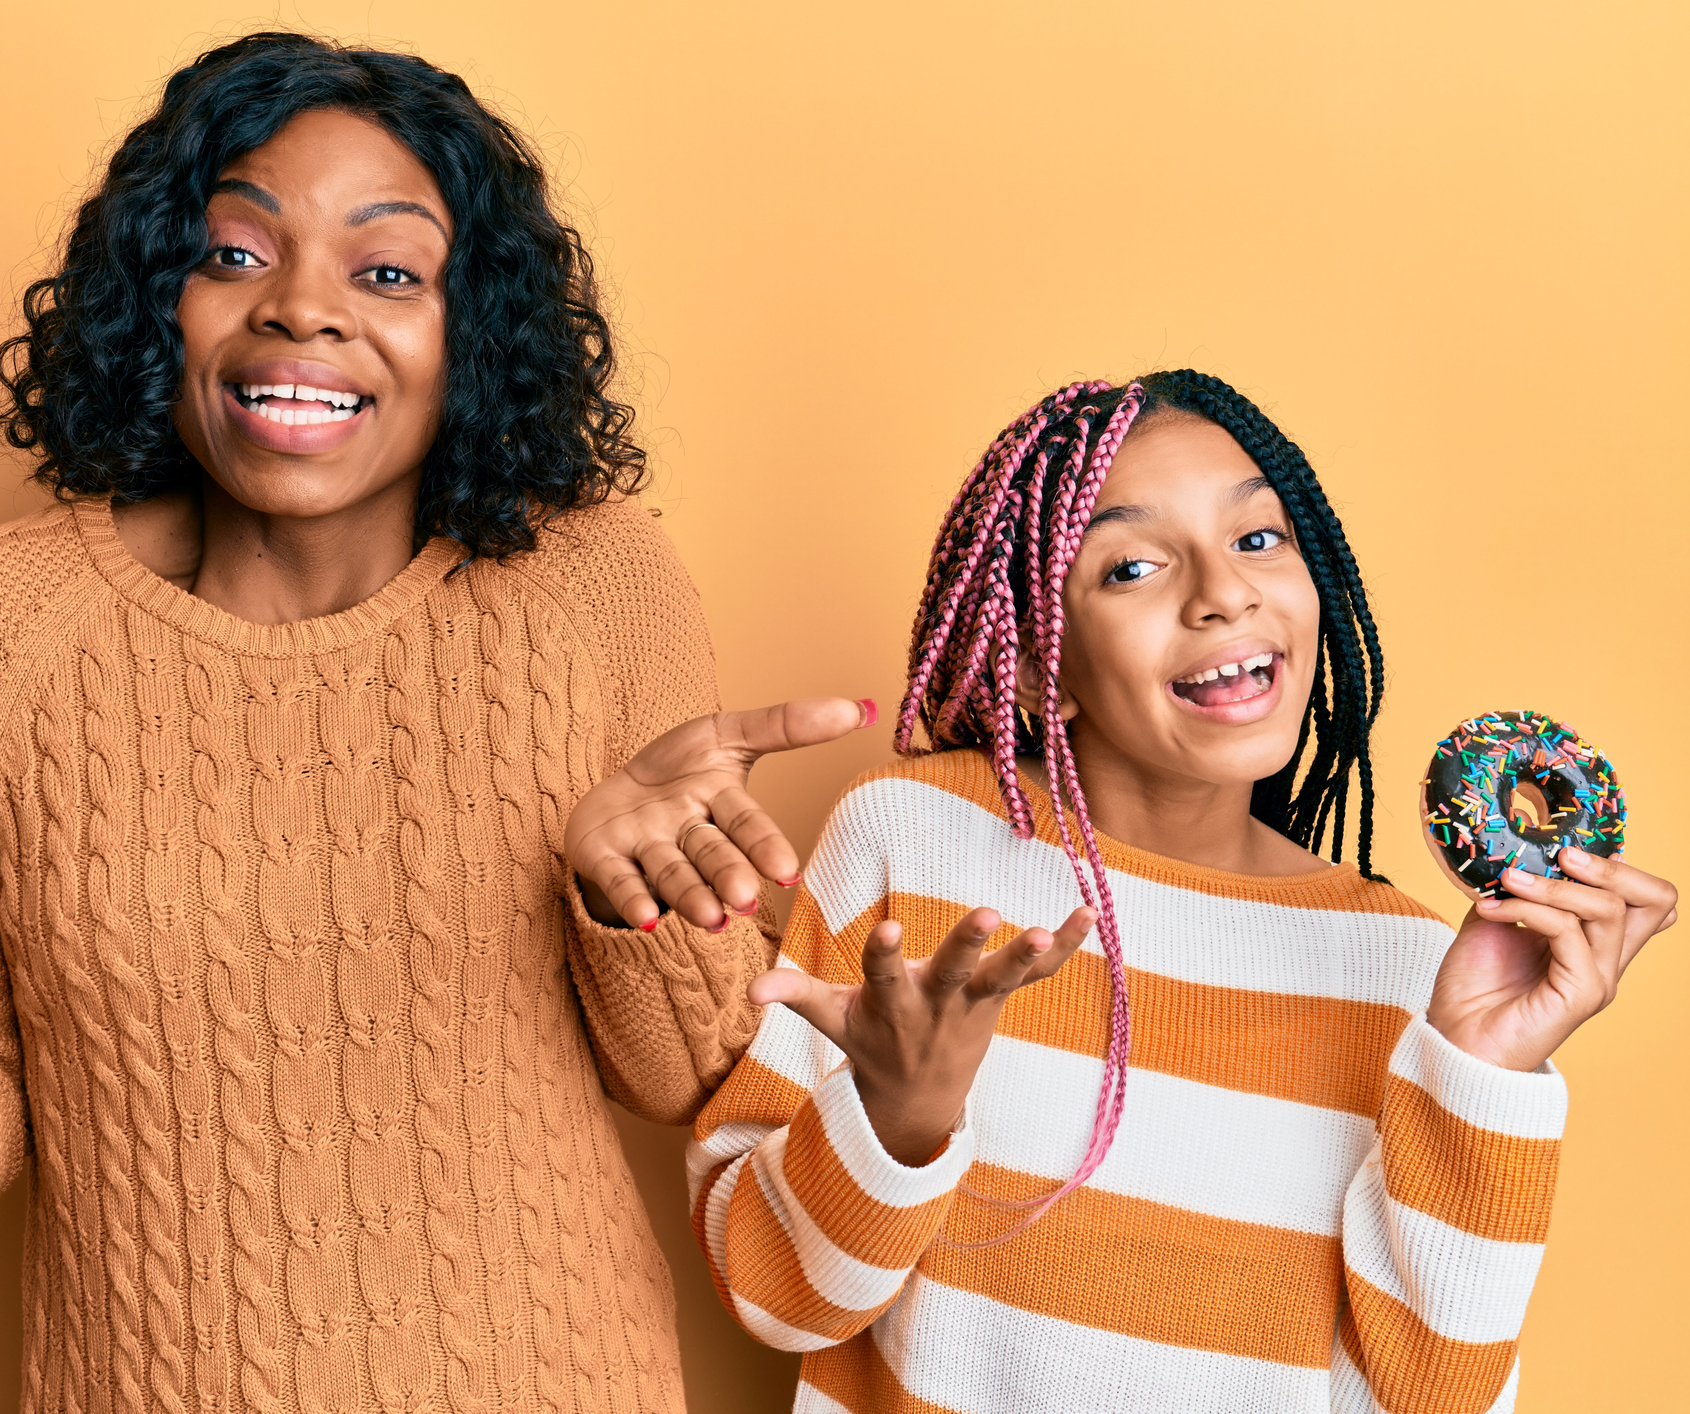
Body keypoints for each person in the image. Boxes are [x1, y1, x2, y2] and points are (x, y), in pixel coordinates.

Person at [0, 33, 868, 1414]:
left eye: (389, 271)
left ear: (469, 333)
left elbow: (689, 1077)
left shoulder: (594, 587)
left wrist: (626, 889)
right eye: (233, 254)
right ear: (152, 299)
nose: (300, 309)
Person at [684, 372, 1678, 1413]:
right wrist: (896, 1116)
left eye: (1258, 539)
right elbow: (772, 1299)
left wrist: (1482, 1072)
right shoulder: (913, 841)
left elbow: (1428, 1400)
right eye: (1135, 565)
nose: (1223, 592)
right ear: (1037, 664)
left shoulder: (1412, 974)